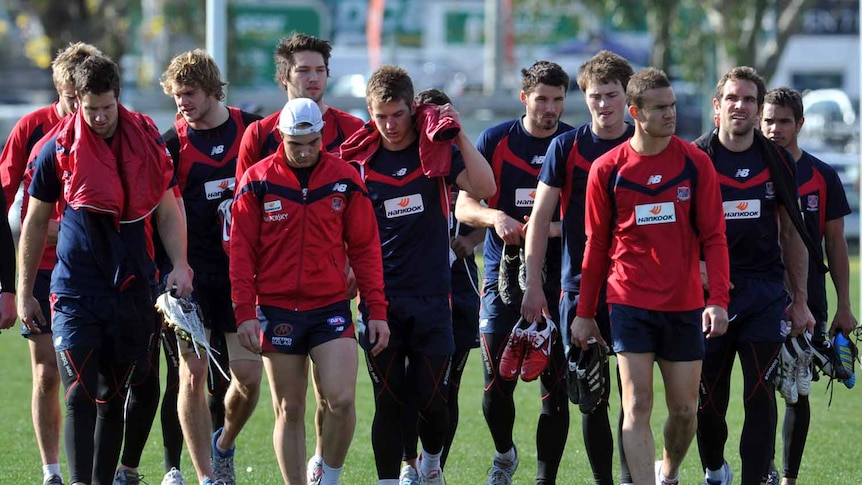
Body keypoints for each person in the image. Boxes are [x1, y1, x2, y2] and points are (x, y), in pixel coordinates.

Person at [16, 54, 194, 485]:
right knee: (78, 393)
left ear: (119, 98)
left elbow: (168, 210)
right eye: (90, 108)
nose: (98, 117)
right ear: (77, 102)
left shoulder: (147, 141)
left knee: (111, 398)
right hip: (76, 290)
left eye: (106, 108)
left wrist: (181, 264)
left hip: (133, 286)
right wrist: (24, 292)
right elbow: (34, 222)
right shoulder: (56, 148)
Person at [572, 66, 730, 485]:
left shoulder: (696, 164)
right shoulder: (607, 170)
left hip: (684, 304)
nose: (670, 115)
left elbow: (715, 237)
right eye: (660, 108)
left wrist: (718, 300)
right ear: (635, 111)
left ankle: (670, 472)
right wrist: (585, 313)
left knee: (683, 412)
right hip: (628, 301)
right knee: (636, 403)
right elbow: (596, 247)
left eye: (673, 106)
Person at [340, 64, 495, 485]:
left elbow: (485, 186)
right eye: (380, 116)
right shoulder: (359, 162)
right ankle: (391, 479)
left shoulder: (436, 152)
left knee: (432, 397)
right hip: (380, 300)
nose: (390, 125)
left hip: (433, 298)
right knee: (388, 401)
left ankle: (429, 463)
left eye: (397, 114)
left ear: (414, 108)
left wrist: (457, 131)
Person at [227, 34, 366, 484]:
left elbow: (362, 218)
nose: (312, 78)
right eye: (303, 70)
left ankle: (327, 471)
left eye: (319, 70)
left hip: (331, 294)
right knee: (288, 404)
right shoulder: (258, 139)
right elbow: (242, 227)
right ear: (285, 76)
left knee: (339, 399)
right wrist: (246, 306)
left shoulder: (353, 129)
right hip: (277, 298)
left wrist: (352, 269)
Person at [694, 66, 818, 485]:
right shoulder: (696, 157)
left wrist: (798, 300)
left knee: (761, 396)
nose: (740, 106)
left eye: (749, 99)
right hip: (711, 297)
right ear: (718, 105)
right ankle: (715, 469)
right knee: (708, 403)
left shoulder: (777, 159)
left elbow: (793, 231)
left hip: (764, 293)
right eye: (732, 98)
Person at [520, 50, 635, 485]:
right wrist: (534, 285)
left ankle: (633, 477)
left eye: (611, 95)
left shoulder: (643, 143)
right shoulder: (565, 147)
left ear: (628, 97)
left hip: (637, 290)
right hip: (577, 288)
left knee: (634, 396)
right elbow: (537, 222)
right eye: (594, 96)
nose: (603, 104)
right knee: (590, 395)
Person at [454, 60, 572, 485]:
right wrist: (495, 218)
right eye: (542, 99)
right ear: (525, 98)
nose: (550, 108)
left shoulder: (571, 142)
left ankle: (545, 479)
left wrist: (547, 226)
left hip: (559, 278)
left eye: (558, 100)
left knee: (557, 389)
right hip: (500, 278)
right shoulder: (497, 139)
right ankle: (504, 454)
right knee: (494, 385)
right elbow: (463, 206)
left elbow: (589, 216)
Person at [150, 48, 262, 485]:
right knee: (191, 376)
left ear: (211, 88)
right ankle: (205, 478)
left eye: (190, 92)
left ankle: (224, 445)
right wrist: (168, 273)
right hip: (189, 278)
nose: (182, 102)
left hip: (240, 276)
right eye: (176, 95)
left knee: (249, 377)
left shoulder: (251, 129)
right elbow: (158, 214)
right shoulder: (171, 143)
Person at [0, 41, 102, 485]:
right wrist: (8, 283)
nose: (81, 106)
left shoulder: (109, 127)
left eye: (88, 95)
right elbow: (5, 202)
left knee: (93, 374)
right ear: (59, 89)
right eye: (71, 97)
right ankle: (51, 471)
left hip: (93, 270)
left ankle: (96, 466)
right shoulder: (31, 130)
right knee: (46, 372)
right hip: (40, 267)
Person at [760, 86, 858, 485]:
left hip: (809, 297)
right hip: (760, 292)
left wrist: (844, 305)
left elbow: (834, 243)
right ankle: (762, 470)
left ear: (800, 124)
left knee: (798, 387)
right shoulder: (747, 168)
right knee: (761, 385)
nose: (774, 129)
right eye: (768, 120)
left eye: (784, 121)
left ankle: (790, 478)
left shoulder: (822, 175)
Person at [397, 88, 485, 484]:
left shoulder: (458, 155)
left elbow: (481, 197)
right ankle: (406, 464)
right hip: (408, 288)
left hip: (458, 292)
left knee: (444, 390)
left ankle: (435, 468)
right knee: (404, 386)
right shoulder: (407, 158)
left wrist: (470, 240)